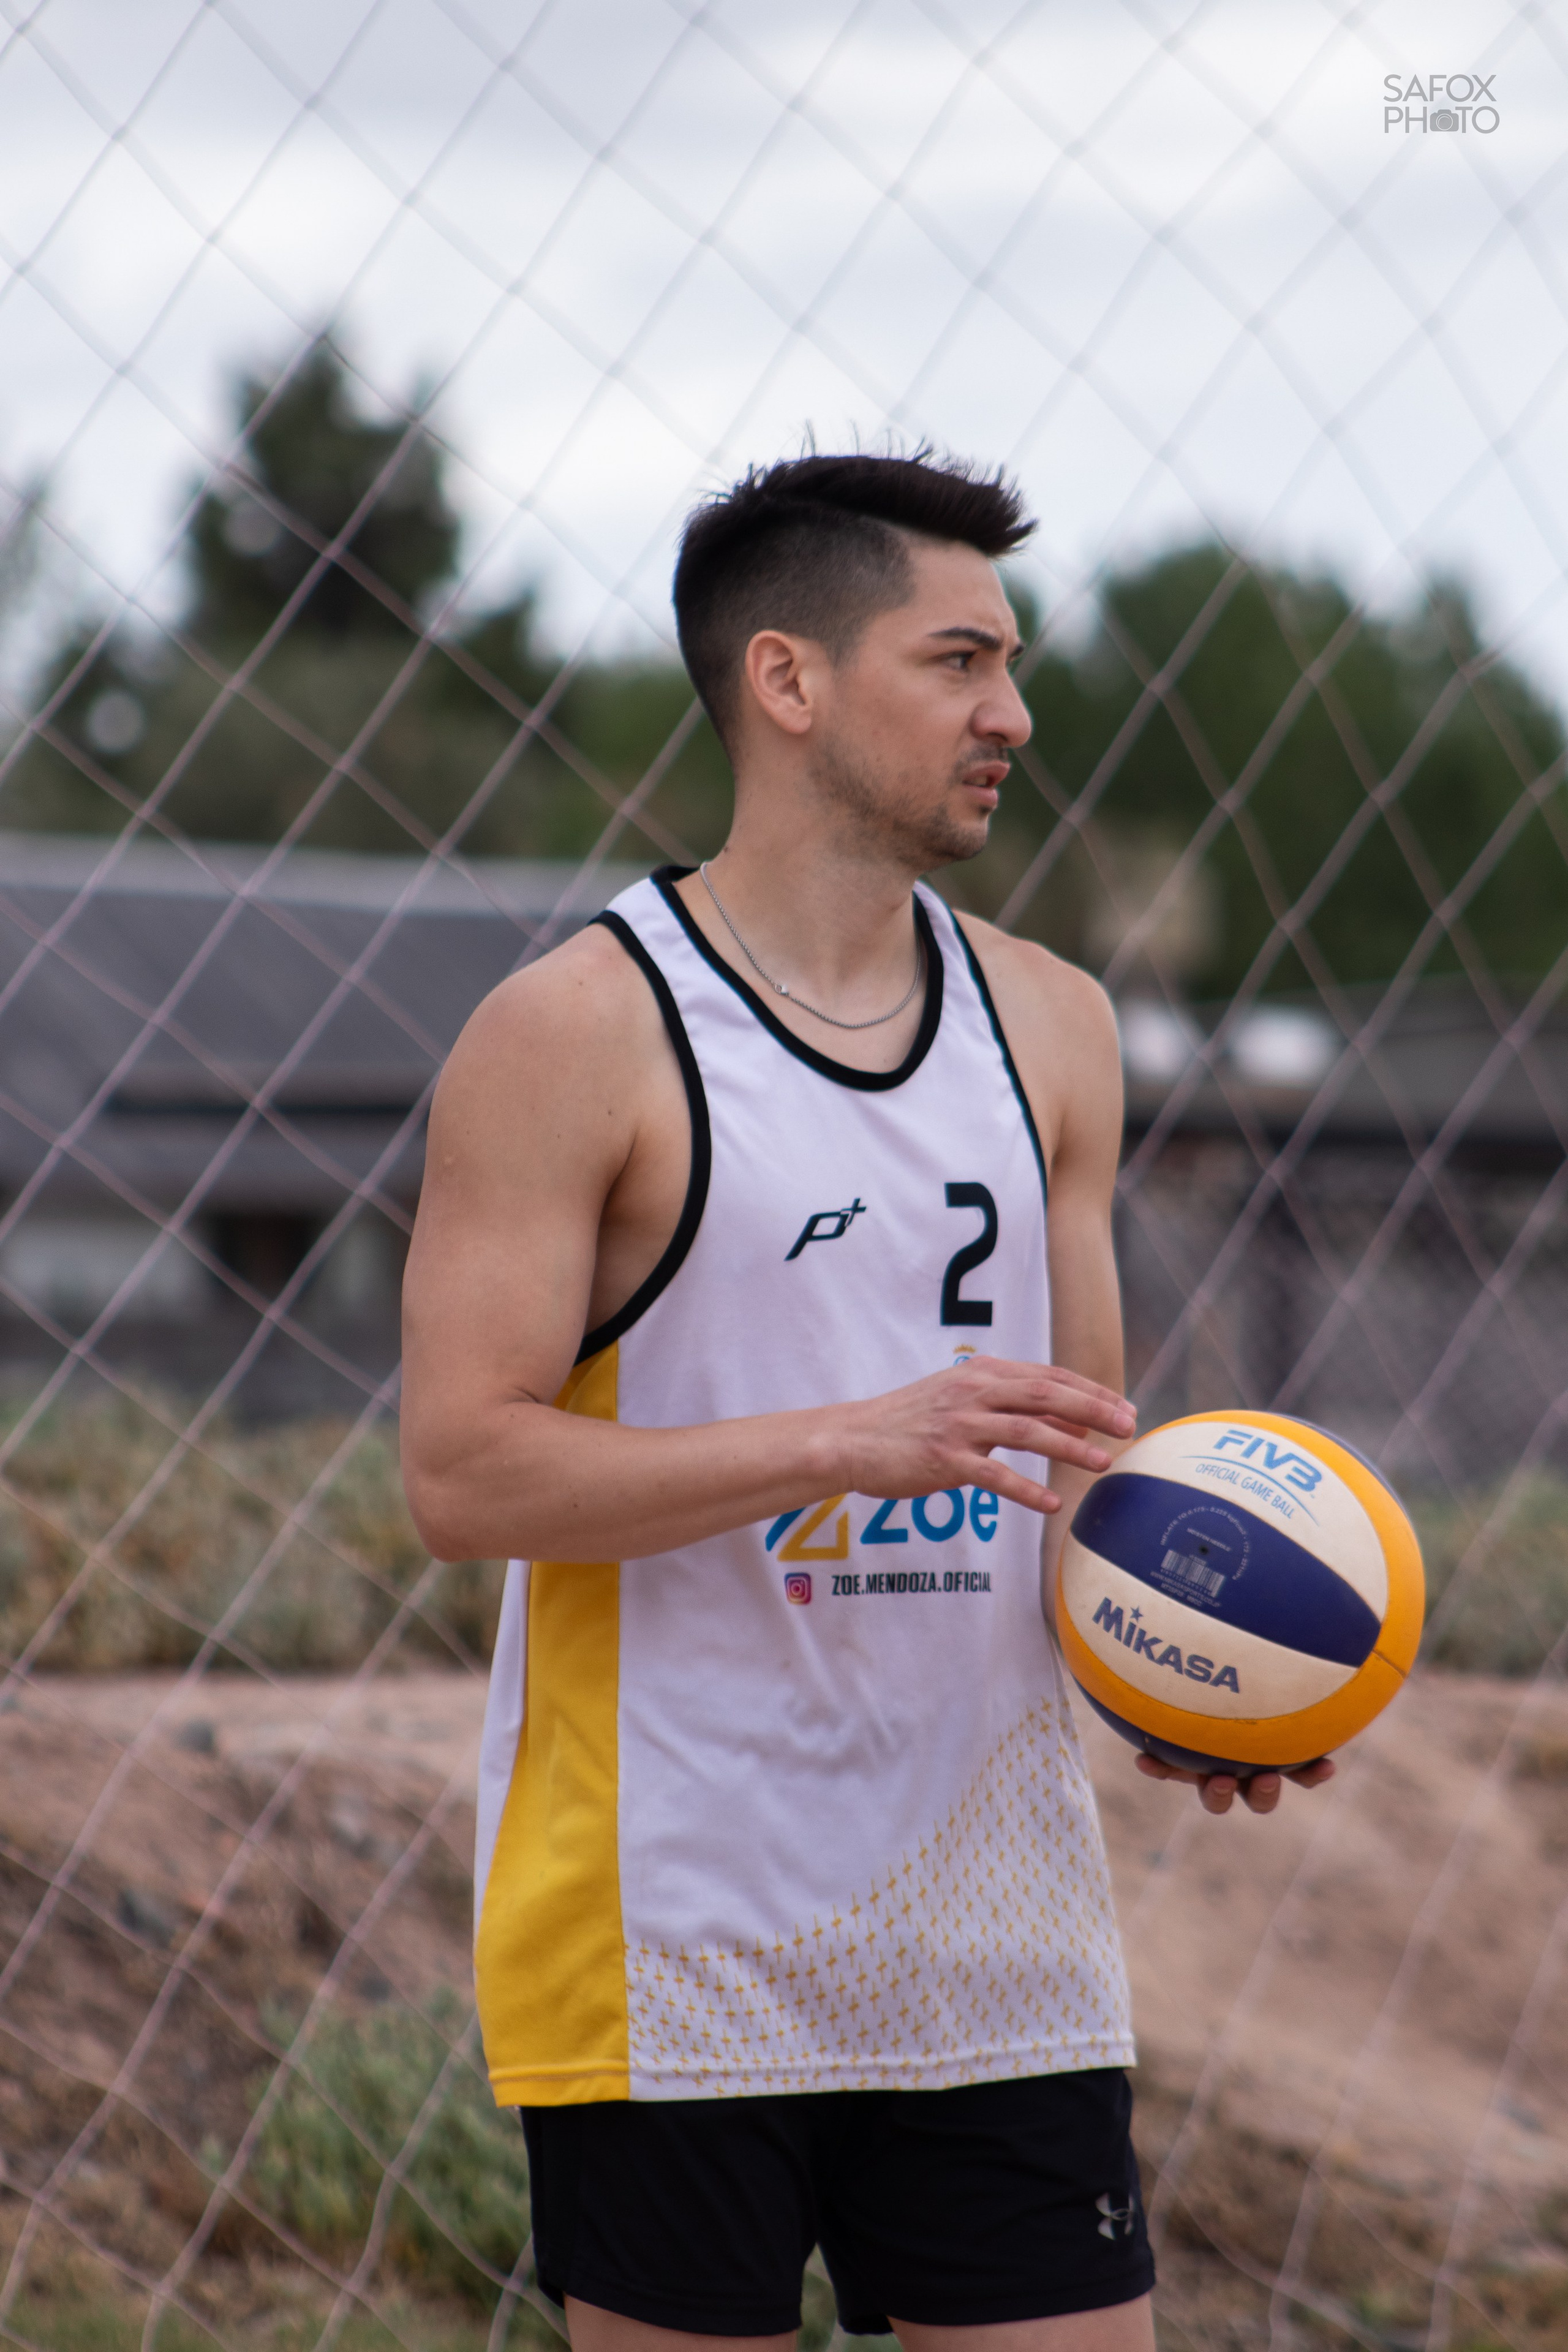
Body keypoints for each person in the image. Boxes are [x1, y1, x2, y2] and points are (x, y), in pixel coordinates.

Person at [400, 453, 1332, 2352]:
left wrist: (1195, 1669)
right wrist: (848, 1440)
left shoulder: (1054, 1023)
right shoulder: (574, 1031)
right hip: (673, 1930)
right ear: (789, 681)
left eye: (1012, 663)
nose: (1017, 712)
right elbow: (462, 1470)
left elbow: (1088, 1466)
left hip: (991, 1932)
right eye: (962, 659)